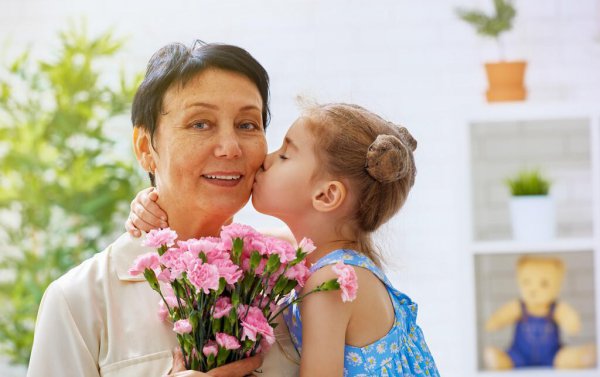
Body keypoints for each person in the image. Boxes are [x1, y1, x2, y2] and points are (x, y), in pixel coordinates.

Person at [27, 41, 299, 377]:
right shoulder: (80, 300)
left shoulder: (292, 282)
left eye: (247, 125)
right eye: (200, 124)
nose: (230, 148)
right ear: (145, 147)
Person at [128, 102, 440, 376]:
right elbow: (208, 239)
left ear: (326, 195)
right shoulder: (316, 254)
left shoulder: (331, 282)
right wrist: (149, 202)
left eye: (286, 154)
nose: (265, 158)